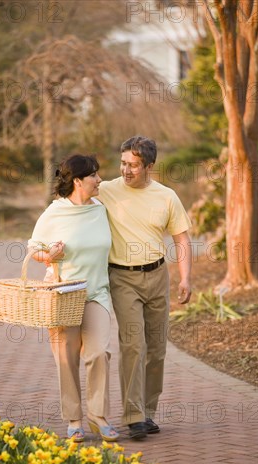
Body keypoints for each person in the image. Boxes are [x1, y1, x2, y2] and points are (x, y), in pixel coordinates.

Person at [98, 136, 192, 440]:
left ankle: (148, 412)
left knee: (157, 349)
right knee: (133, 345)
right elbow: (73, 199)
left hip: (157, 276)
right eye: (123, 163)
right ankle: (134, 415)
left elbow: (182, 239)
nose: (125, 170)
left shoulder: (167, 197)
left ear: (149, 166)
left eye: (133, 165)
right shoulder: (107, 190)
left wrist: (186, 278)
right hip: (122, 277)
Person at [28, 154, 119, 443]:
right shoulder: (55, 212)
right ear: (78, 181)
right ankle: (74, 419)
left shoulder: (101, 209)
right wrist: (49, 256)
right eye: (94, 175)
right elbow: (34, 250)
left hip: (97, 293)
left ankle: (98, 416)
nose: (99, 180)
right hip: (64, 295)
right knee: (66, 360)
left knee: (99, 353)